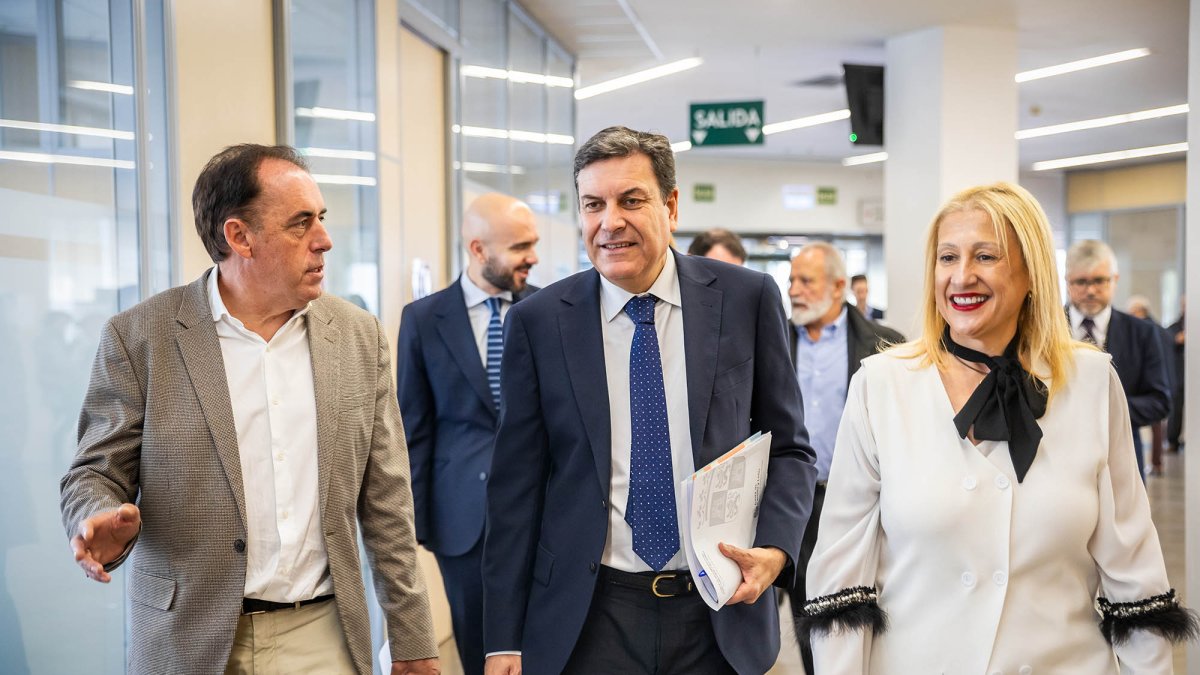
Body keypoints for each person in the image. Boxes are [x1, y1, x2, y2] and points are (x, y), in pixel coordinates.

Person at [60, 144, 439, 675]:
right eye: (300, 224)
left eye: (321, 219)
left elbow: (387, 504)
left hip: (324, 637)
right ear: (239, 237)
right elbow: (95, 472)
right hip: (188, 638)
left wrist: (413, 640)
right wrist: (95, 517)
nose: (324, 240)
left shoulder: (358, 337)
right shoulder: (140, 337)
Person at [801, 182, 1195, 673]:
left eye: (985, 256)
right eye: (948, 258)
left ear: (1031, 272)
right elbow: (840, 576)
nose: (961, 277)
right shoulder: (881, 386)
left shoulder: (1092, 382)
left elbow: (1133, 567)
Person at [482, 126, 816, 675]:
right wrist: (502, 640)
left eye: (631, 200)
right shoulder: (539, 323)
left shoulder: (745, 300)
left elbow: (791, 451)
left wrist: (777, 550)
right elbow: (515, 489)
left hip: (718, 608)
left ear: (671, 205)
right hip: (589, 614)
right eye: (593, 205)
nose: (610, 222)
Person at [397, 192, 540, 675]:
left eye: (533, 244)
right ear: (479, 250)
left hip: (542, 509)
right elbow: (413, 428)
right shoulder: (422, 320)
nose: (533, 257)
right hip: (461, 519)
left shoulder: (548, 311)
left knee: (544, 641)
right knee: (481, 648)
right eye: (520, 246)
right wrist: (411, 522)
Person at [783, 242, 902, 674]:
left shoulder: (884, 346)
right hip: (796, 500)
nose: (794, 289)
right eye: (792, 280)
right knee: (808, 607)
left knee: (866, 603)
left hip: (858, 501)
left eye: (805, 281)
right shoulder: (774, 338)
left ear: (837, 288)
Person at [1066, 240, 1171, 479]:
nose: (1090, 290)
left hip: (1122, 460)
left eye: (1100, 281)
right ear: (1067, 281)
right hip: (1056, 460)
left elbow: (1160, 401)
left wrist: (1104, 411)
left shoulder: (1142, 332)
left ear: (1115, 280)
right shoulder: (1043, 329)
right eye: (1081, 281)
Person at [1167, 296, 1185, 453]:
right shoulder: (1174, 327)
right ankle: (1173, 441)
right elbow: (1167, 341)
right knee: (1175, 410)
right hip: (1179, 376)